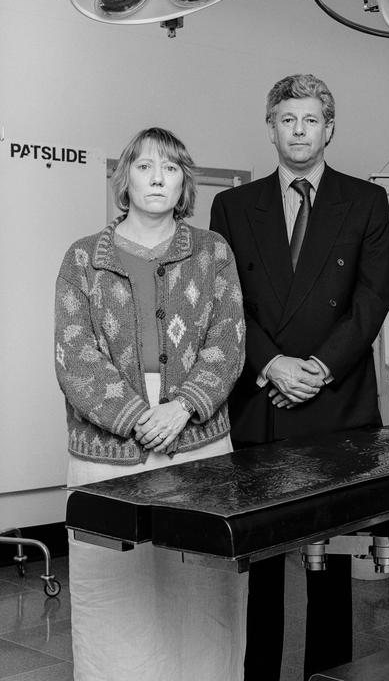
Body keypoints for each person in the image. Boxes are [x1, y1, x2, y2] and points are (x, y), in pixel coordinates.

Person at [210, 73, 389, 681]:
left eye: (310, 119)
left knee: (330, 565)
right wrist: (272, 365)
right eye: (287, 119)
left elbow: (372, 300)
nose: (298, 130)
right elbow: (227, 303)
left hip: (334, 403)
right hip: (262, 399)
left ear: (329, 128)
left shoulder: (366, 201)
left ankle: (328, 675)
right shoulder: (233, 206)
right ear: (271, 127)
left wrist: (316, 368)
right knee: (260, 565)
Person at [54, 127, 247, 681]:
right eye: (144, 166)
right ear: (125, 179)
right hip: (107, 446)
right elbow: (75, 356)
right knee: (113, 587)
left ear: (185, 180)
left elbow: (229, 339)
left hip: (198, 434)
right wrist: (138, 416)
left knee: (205, 584)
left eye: (170, 167)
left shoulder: (213, 253)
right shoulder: (83, 258)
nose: (157, 176)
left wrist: (183, 405)